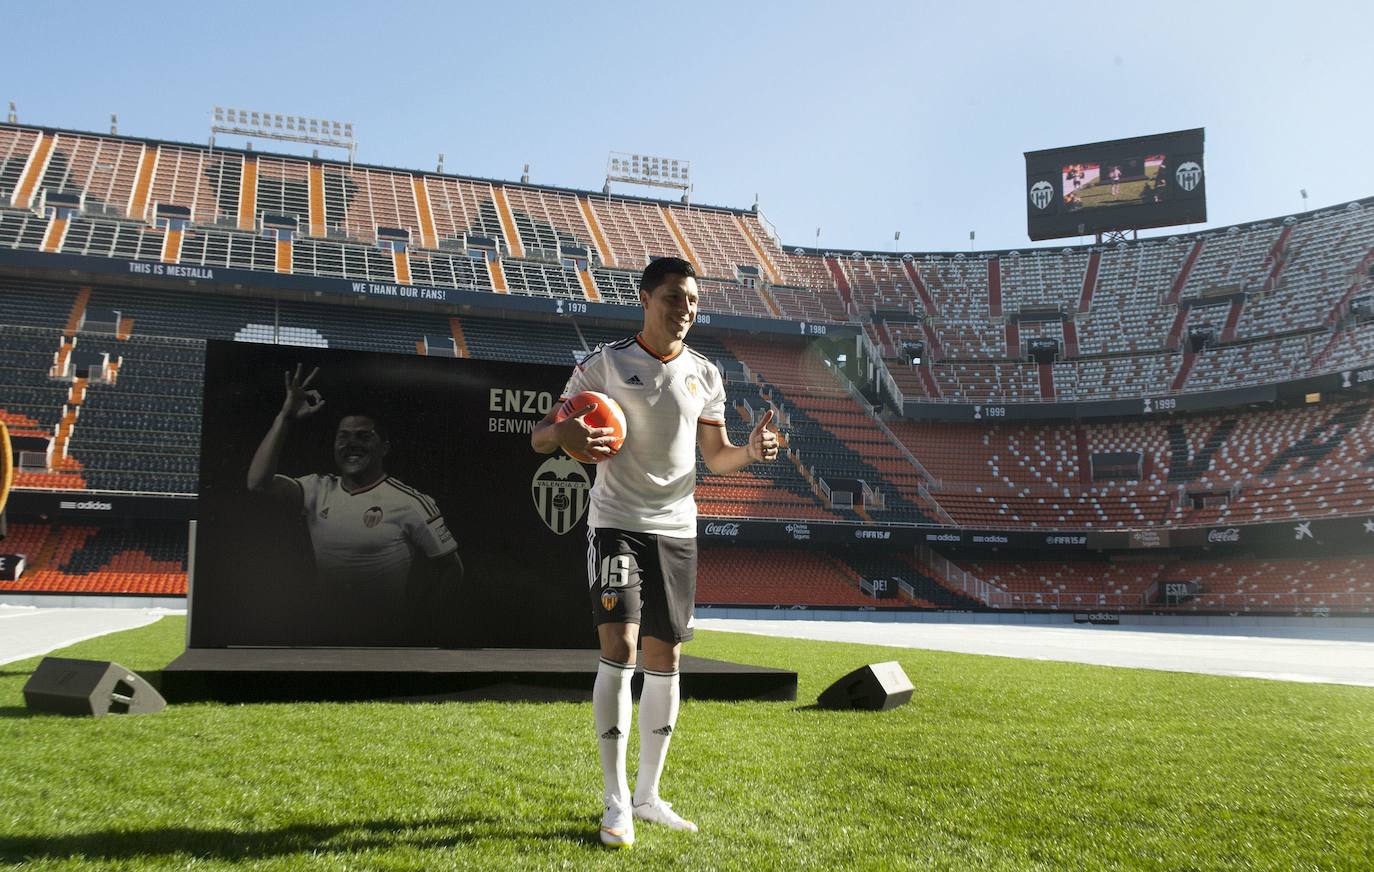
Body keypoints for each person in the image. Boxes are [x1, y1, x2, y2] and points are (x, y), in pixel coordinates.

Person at [531, 256, 779, 849]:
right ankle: (615, 803)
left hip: (678, 531)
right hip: (617, 522)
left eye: (693, 301)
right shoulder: (604, 364)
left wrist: (750, 452)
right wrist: (561, 436)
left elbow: (715, 457)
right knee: (619, 645)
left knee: (666, 660)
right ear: (645, 297)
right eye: (674, 297)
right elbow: (544, 433)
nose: (685, 310)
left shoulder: (706, 374)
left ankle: (648, 796)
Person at [247, 365, 462, 639]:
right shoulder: (317, 489)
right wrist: (285, 417)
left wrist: (425, 625)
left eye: (364, 436)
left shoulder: (410, 502)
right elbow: (257, 483)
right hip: (326, 635)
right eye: (343, 436)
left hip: (387, 641)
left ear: (384, 447)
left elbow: (451, 568)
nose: (352, 444)